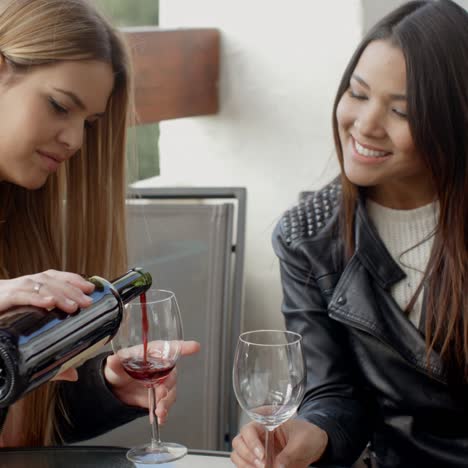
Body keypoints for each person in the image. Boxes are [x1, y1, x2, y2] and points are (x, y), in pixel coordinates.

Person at [231, 1, 467, 467]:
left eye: (401, 110)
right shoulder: (307, 238)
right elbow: (335, 393)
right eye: (358, 94)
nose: (364, 124)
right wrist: (312, 431)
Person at [0, 0, 200, 447]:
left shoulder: (21, 218)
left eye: (88, 123)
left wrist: (103, 388)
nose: (74, 140)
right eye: (58, 105)